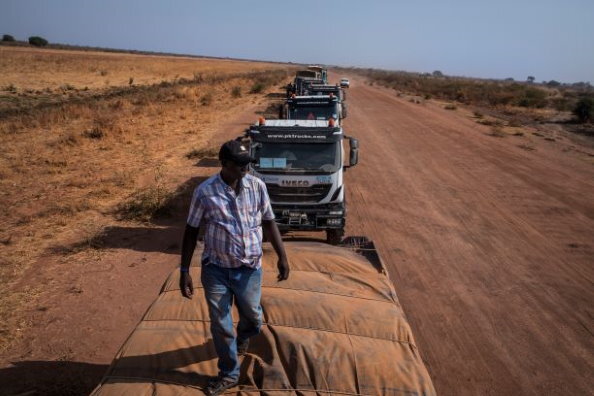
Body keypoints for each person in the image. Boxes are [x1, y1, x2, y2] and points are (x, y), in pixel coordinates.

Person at [179, 139, 290, 396]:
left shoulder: (257, 186)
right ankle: (229, 373)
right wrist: (184, 271)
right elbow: (191, 231)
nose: (246, 168)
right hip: (216, 269)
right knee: (221, 324)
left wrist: (283, 257)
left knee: (254, 318)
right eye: (240, 164)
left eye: (248, 163)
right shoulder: (204, 192)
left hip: (250, 268)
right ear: (225, 164)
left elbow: (269, 222)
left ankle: (242, 338)